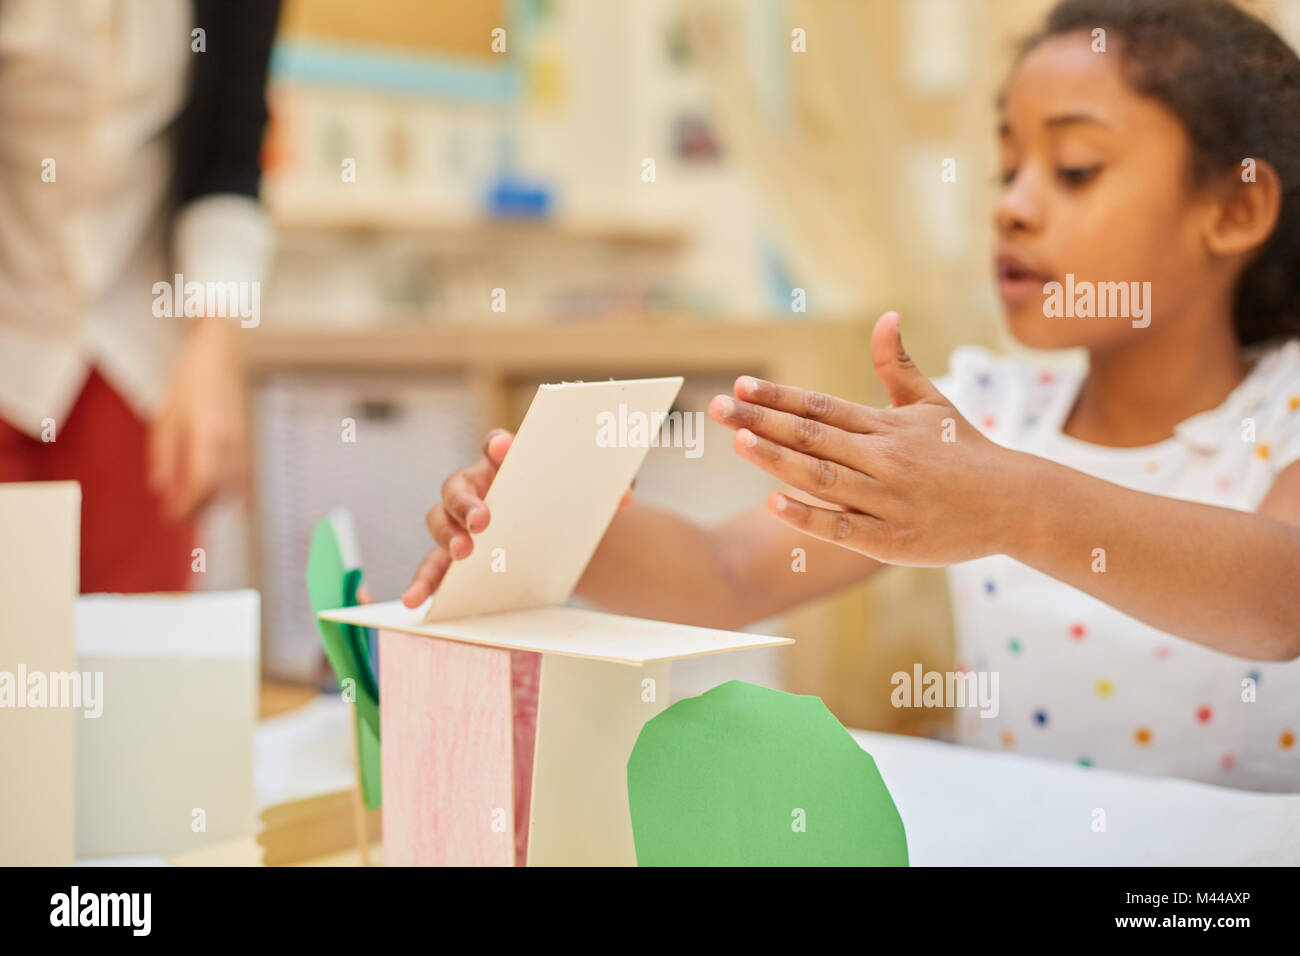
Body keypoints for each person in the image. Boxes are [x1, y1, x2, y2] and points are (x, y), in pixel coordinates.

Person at [408, 0, 1300, 792]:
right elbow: (724, 578)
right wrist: (543, 520)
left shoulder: (1284, 408)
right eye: (1005, 169)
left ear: (1234, 210)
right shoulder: (986, 414)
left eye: (1073, 168)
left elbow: (1280, 598)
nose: (1012, 207)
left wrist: (1014, 506)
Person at [0, 0, 280, 592]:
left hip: (133, 342)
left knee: (134, 662)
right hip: (10, 312)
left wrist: (216, 343)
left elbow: (232, 149)